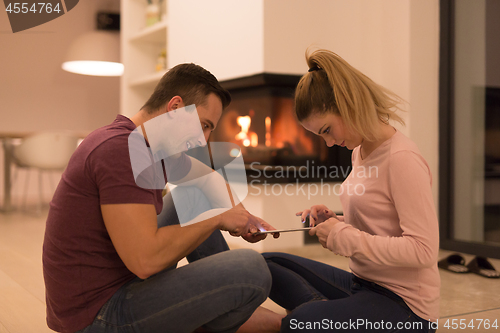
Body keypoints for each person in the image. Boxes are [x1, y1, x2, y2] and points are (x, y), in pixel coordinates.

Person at [42, 63, 283, 333]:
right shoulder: (121, 151)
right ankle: (226, 314)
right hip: (98, 317)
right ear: (176, 107)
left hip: (114, 290)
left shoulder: (144, 143)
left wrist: (244, 217)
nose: (204, 140)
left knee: (193, 196)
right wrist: (216, 219)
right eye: (204, 125)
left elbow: (207, 179)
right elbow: (145, 261)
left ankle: (240, 313)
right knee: (251, 269)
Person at [262, 49, 440, 333]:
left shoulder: (402, 158)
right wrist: (335, 221)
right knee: (266, 265)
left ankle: (319, 318)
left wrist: (343, 236)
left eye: (327, 130)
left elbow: (424, 251)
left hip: (406, 308)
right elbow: (381, 224)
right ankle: (331, 316)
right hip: (362, 285)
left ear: (348, 103)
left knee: (302, 323)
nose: (330, 143)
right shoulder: (360, 151)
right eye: (321, 136)